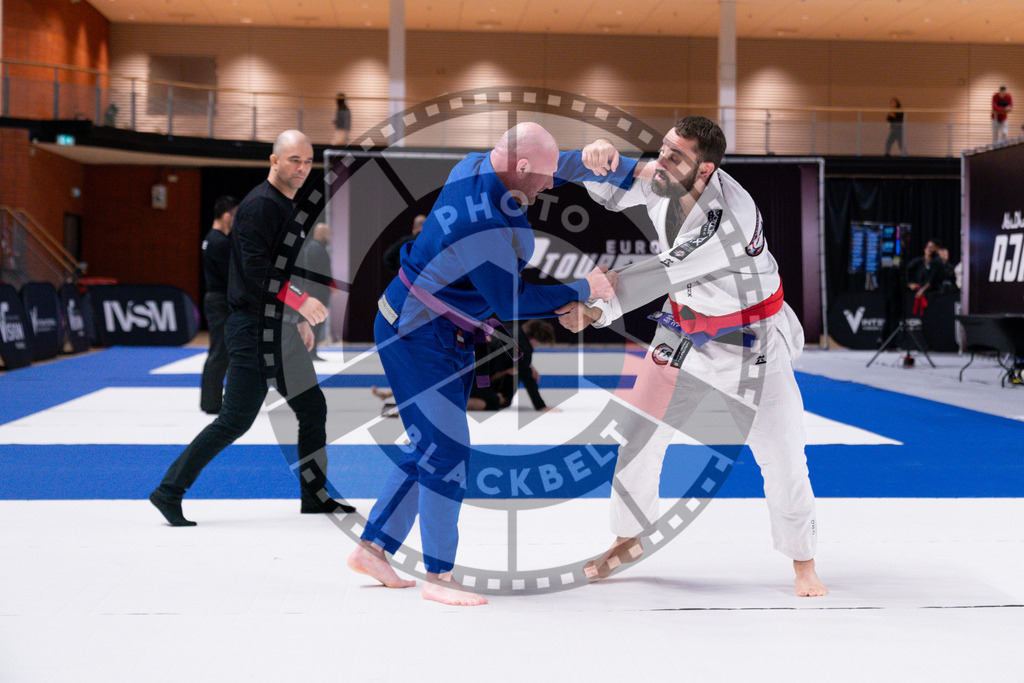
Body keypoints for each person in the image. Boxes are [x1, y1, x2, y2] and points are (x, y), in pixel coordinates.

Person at [346, 122, 623, 606]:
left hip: (439, 331)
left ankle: (373, 548)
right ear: (519, 169)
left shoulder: (476, 164)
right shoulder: (479, 224)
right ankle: (439, 576)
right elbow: (511, 302)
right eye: (543, 176)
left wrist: (612, 161)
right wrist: (584, 288)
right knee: (447, 451)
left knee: (429, 447)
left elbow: (550, 165)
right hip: (416, 334)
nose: (550, 185)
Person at [556, 116, 827, 597]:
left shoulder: (728, 219)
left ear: (705, 171)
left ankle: (802, 560)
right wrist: (594, 157)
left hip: (751, 344)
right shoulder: (669, 177)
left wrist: (594, 306)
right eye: (663, 149)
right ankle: (627, 538)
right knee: (638, 435)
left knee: (782, 455)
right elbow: (621, 184)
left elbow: (662, 272)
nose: (662, 160)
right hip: (681, 329)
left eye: (674, 156)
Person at [149, 130, 354, 526]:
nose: (302, 168)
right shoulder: (261, 206)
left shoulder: (284, 205)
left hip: (278, 329)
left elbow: (279, 270)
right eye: (294, 159)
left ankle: (315, 495)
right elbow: (257, 272)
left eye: (308, 161)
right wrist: (299, 302)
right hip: (254, 330)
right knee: (236, 419)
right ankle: (168, 490)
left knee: (313, 408)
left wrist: (293, 322)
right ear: (274, 161)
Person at [199, 195, 238, 414]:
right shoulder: (218, 242)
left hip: (216, 298)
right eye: (235, 215)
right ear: (226, 216)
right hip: (219, 300)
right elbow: (230, 275)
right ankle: (212, 402)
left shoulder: (211, 239)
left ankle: (211, 400)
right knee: (221, 351)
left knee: (220, 350)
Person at [467, 319, 557, 412]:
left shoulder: (509, 328)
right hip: (476, 378)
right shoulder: (524, 346)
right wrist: (541, 406)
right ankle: (465, 402)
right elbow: (527, 378)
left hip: (472, 373)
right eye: (536, 344)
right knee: (495, 402)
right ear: (534, 340)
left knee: (514, 371)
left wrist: (530, 366)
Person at [295, 222, 332, 360]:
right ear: (320, 233)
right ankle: (310, 352)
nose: (329, 236)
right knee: (314, 320)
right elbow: (319, 271)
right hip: (315, 291)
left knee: (317, 321)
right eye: (327, 232)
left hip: (318, 289)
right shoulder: (314, 248)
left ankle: (312, 351)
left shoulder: (316, 248)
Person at [906, 239, 945, 314]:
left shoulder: (937, 262)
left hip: (934, 295)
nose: (929, 249)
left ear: (937, 249)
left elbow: (932, 280)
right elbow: (908, 268)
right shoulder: (919, 261)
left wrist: (921, 290)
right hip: (924, 293)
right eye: (928, 247)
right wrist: (910, 284)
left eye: (932, 247)